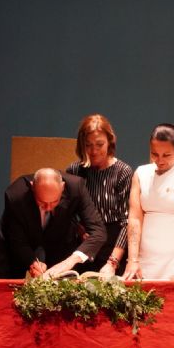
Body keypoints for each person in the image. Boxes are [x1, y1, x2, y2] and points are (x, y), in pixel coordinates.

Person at [124, 123, 174, 280]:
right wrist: (133, 259)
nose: (159, 160)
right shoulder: (141, 173)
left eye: (166, 155)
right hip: (147, 258)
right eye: (154, 154)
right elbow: (134, 218)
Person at [0, 168, 107, 279]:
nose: (48, 208)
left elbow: (98, 232)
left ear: (62, 187)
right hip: (17, 243)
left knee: (61, 282)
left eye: (54, 201)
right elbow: (17, 239)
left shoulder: (75, 187)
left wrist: (69, 261)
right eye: (42, 202)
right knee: (9, 285)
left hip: (59, 239)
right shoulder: (16, 195)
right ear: (32, 187)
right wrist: (32, 262)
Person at [66, 114, 133, 276]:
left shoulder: (122, 172)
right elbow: (67, 213)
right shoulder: (74, 170)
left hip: (113, 246)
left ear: (110, 141)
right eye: (88, 145)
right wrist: (80, 230)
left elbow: (127, 222)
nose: (94, 151)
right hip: (83, 244)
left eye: (99, 144)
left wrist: (113, 262)